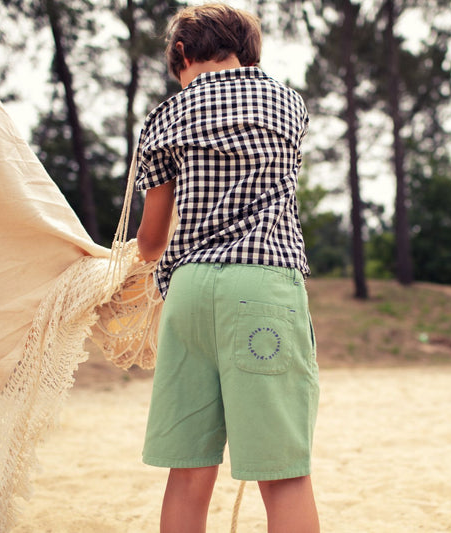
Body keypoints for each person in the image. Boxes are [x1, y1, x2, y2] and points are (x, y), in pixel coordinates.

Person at [133, 4, 320, 532]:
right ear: (247, 50)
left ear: (182, 54)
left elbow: (151, 242)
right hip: (262, 281)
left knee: (189, 469)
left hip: (188, 290)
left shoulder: (165, 117)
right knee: (283, 471)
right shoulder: (288, 104)